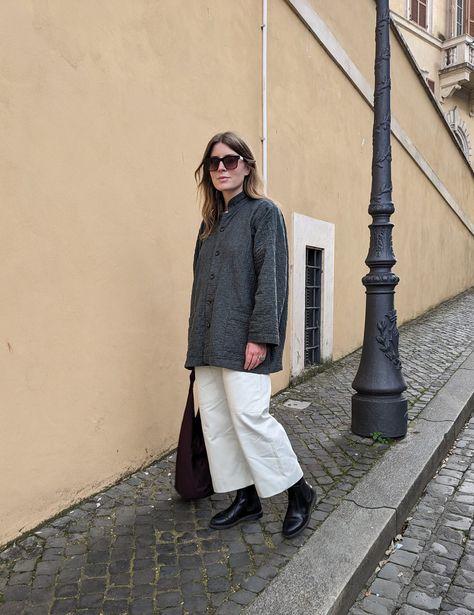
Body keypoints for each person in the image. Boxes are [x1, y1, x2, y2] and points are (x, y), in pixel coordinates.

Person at [184, 131, 315, 538]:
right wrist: (195, 343)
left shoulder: (264, 213)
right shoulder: (209, 224)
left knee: (250, 417)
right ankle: (245, 498)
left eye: (230, 160)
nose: (221, 168)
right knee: (219, 423)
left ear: (247, 165)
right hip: (207, 342)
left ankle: (299, 492)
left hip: (244, 340)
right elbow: (198, 285)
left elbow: (271, 280)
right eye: (214, 162)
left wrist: (260, 336)